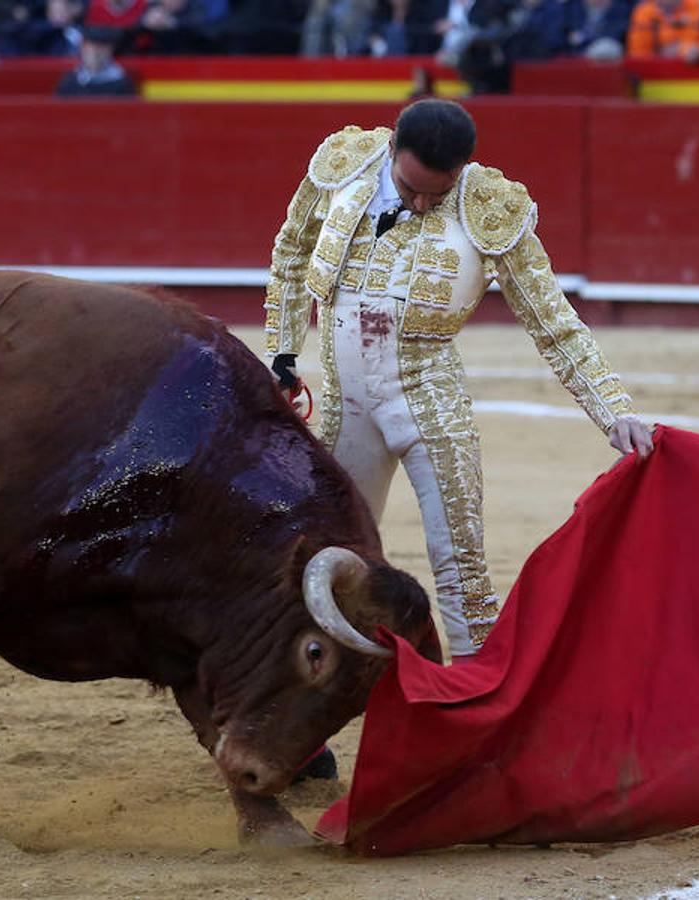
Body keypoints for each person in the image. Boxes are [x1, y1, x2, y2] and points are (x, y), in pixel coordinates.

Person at [263, 99, 653, 665]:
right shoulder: (343, 165)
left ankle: (477, 706)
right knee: (325, 557)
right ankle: (310, 709)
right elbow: (293, 253)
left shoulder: (488, 209)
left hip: (428, 400)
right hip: (346, 406)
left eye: (436, 195)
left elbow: (553, 322)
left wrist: (613, 410)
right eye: (411, 188)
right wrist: (282, 351)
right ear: (393, 147)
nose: (421, 204)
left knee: (461, 565)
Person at [55, 24, 136, 95]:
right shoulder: (70, 81)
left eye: (101, 47)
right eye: (91, 47)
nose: (95, 52)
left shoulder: (122, 83)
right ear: (83, 49)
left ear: (110, 50)